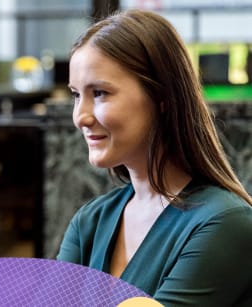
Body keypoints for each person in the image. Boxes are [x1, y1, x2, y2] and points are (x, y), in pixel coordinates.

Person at [57, 9, 252, 306]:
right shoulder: (90, 222)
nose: (80, 117)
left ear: (161, 97)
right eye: (75, 95)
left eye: (99, 93)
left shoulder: (226, 223)